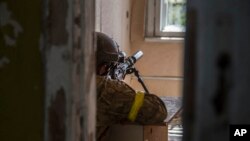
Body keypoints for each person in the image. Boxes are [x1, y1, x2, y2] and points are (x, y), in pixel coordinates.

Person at [95, 32, 167, 141]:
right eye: (109, 67)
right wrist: (117, 85)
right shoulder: (105, 90)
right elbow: (158, 110)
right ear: (103, 68)